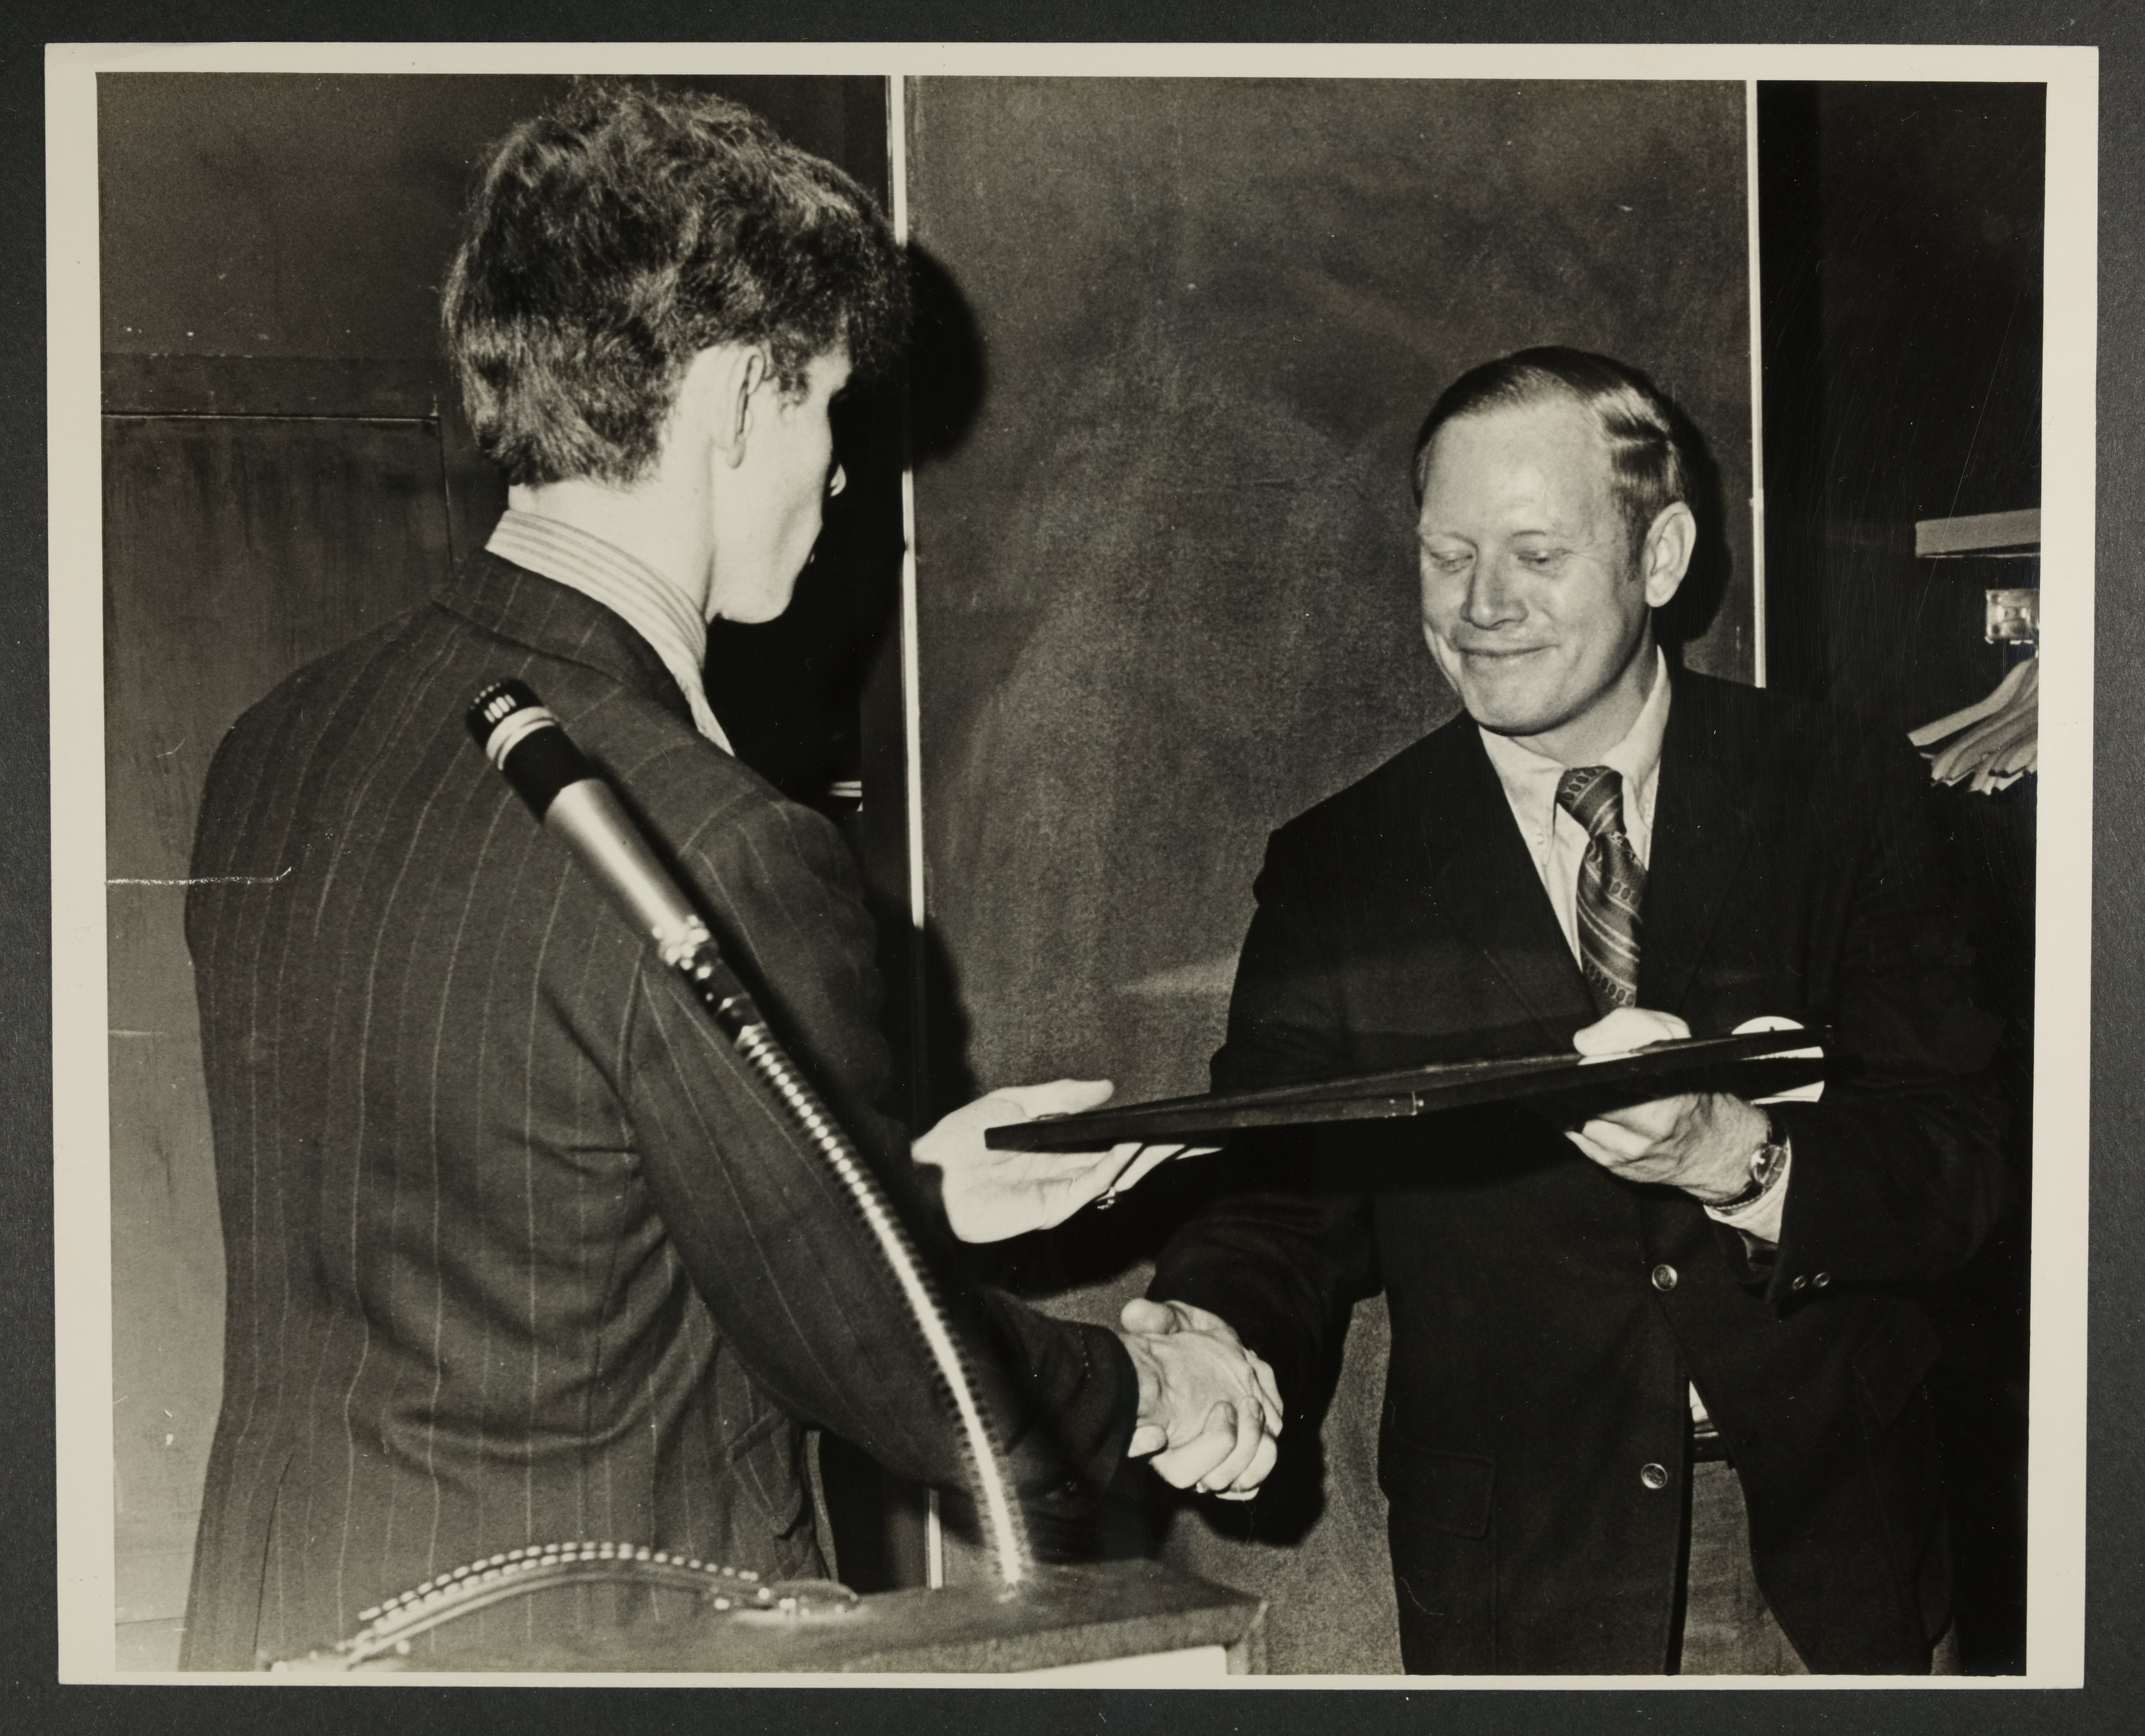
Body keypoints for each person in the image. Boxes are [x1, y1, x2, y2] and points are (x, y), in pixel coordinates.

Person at [177, 82, 1275, 1671]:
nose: (835, 480)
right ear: (734, 401)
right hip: (599, 1645)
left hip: (286, 1616)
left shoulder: (279, 742)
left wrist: (901, 1193)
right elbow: (911, 1381)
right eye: (826, 406)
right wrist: (1163, 1385)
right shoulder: (717, 832)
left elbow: (526, 1205)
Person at [1125, 348, 2007, 1673]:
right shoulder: (1344, 866)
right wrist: (1213, 1331)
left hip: (1834, 1562)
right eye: (1446, 554)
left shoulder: (1846, 792)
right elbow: (1284, 1192)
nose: (1481, 606)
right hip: (1519, 1581)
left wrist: (1742, 1157)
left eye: (1537, 554)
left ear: (1661, 555)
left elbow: (1969, 1163)